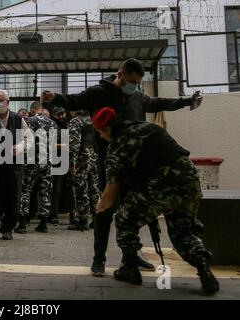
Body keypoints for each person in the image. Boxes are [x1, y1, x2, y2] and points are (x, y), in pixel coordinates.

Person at [41, 58, 203, 276]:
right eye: (131, 80)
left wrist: (185, 102)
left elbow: (158, 103)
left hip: (136, 165)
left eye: (137, 82)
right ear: (120, 74)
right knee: (105, 208)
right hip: (108, 160)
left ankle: (130, 259)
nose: (134, 85)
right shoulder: (99, 92)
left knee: (132, 212)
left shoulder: (136, 96)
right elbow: (74, 100)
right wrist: (54, 98)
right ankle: (99, 259)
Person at [93, 107, 219, 294]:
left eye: (100, 133)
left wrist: (99, 209)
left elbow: (110, 194)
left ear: (108, 129)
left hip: (159, 187)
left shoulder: (117, 146)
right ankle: (203, 268)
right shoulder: (149, 127)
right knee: (185, 232)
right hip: (190, 183)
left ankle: (130, 268)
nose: (101, 137)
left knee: (124, 219)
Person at [0, 90, 33, 241]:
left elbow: (29, 139)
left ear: (7, 102)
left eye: (0, 100)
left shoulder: (18, 119)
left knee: (13, 197)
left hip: (14, 166)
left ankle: (7, 228)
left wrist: (19, 148)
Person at [15, 101, 58, 233]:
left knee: (25, 190)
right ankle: (43, 223)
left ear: (32, 110)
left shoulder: (29, 121)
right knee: (45, 191)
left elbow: (22, 140)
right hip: (47, 161)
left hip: (31, 160)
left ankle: (22, 223)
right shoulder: (53, 123)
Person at [67, 110, 98, 231]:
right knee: (94, 188)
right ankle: (96, 219)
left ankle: (82, 220)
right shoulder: (92, 119)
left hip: (82, 158)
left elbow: (74, 144)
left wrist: (72, 164)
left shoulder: (76, 121)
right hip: (93, 156)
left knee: (81, 189)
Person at [48, 107, 69, 225]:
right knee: (55, 189)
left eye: (62, 114)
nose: (61, 116)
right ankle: (53, 214)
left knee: (61, 188)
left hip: (64, 159)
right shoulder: (53, 125)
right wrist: (62, 146)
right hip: (55, 159)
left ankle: (55, 214)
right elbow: (50, 143)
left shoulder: (66, 124)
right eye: (58, 115)